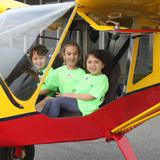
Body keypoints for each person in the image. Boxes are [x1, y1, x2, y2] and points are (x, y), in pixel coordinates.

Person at [41, 49, 109, 117]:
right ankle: (39, 122)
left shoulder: (102, 79)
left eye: (96, 62)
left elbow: (90, 97)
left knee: (57, 101)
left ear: (102, 65)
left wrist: (69, 95)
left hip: (86, 106)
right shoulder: (86, 76)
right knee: (50, 101)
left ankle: (51, 125)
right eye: (89, 62)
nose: (92, 65)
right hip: (77, 101)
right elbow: (75, 90)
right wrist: (65, 95)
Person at [36, 42, 85, 111]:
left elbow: (83, 93)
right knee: (47, 99)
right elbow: (48, 85)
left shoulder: (82, 73)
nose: (72, 57)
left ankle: (51, 120)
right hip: (62, 98)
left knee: (56, 100)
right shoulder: (58, 71)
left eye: (75, 54)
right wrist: (33, 93)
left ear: (79, 56)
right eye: (69, 54)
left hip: (76, 101)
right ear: (64, 55)